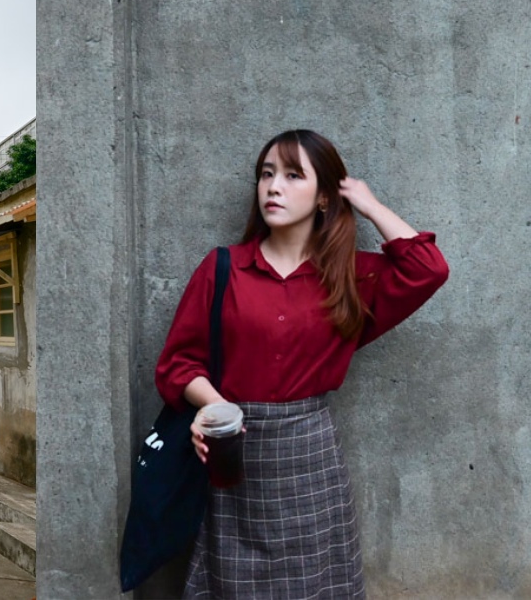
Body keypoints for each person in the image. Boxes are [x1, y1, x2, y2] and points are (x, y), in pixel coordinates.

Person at [155, 129, 449, 598]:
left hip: (311, 455)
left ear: (323, 198)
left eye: (293, 176)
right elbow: (176, 364)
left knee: (316, 585)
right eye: (267, 174)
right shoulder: (223, 267)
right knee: (235, 582)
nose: (274, 186)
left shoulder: (353, 278)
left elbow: (428, 269)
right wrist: (213, 408)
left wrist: (367, 203)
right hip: (235, 453)